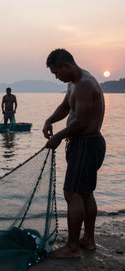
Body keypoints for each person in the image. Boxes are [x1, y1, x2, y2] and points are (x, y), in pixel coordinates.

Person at [43, 48, 106, 259]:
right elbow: (65, 106)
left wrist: (58, 137)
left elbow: (81, 121)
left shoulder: (85, 84)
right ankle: (88, 240)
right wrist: (50, 120)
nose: (56, 77)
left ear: (67, 66)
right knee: (86, 192)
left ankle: (72, 248)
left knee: (72, 193)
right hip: (83, 144)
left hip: (86, 144)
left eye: (56, 72)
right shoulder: (73, 84)